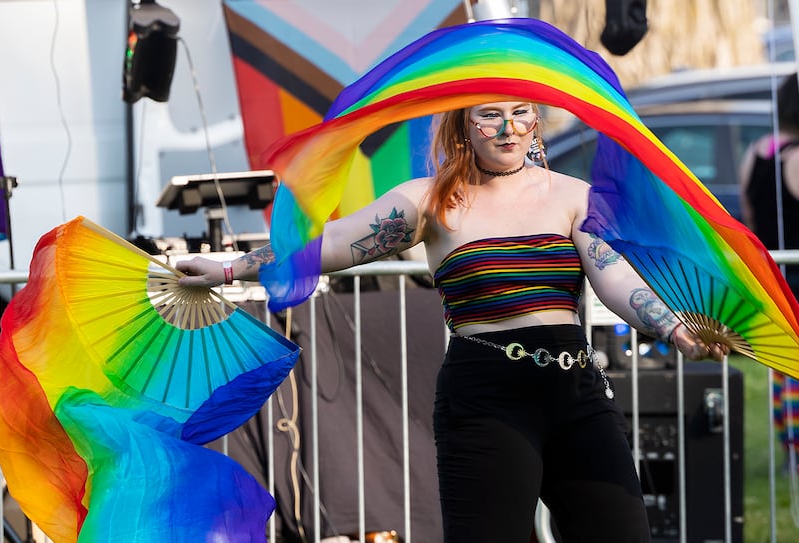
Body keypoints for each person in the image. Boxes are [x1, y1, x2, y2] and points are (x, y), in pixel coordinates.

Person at [177, 101, 728, 542]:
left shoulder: (573, 196)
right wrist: (227, 267)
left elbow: (613, 277)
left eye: (520, 112)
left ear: (537, 119)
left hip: (576, 392)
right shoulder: (431, 201)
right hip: (485, 400)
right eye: (490, 114)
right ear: (464, 121)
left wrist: (673, 327)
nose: (508, 128)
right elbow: (329, 246)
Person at [739, 73, 799, 474]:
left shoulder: (758, 152)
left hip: (773, 278)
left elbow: (749, 215)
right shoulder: (797, 157)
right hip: (795, 281)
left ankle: (790, 450)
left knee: (786, 371)